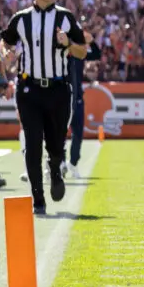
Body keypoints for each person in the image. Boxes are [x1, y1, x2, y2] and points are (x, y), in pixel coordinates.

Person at [0, 0, 89, 215]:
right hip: (29, 89)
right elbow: (4, 44)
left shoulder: (66, 17)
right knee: (33, 142)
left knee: (56, 144)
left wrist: (67, 44)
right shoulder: (20, 19)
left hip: (58, 89)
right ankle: (37, 198)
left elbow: (83, 51)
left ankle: (56, 166)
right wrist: (4, 65)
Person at [62, 29, 101, 179]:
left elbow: (96, 55)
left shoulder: (79, 55)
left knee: (78, 134)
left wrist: (91, 41)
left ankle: (73, 162)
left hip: (77, 99)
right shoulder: (59, 55)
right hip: (63, 99)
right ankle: (59, 163)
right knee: (59, 134)